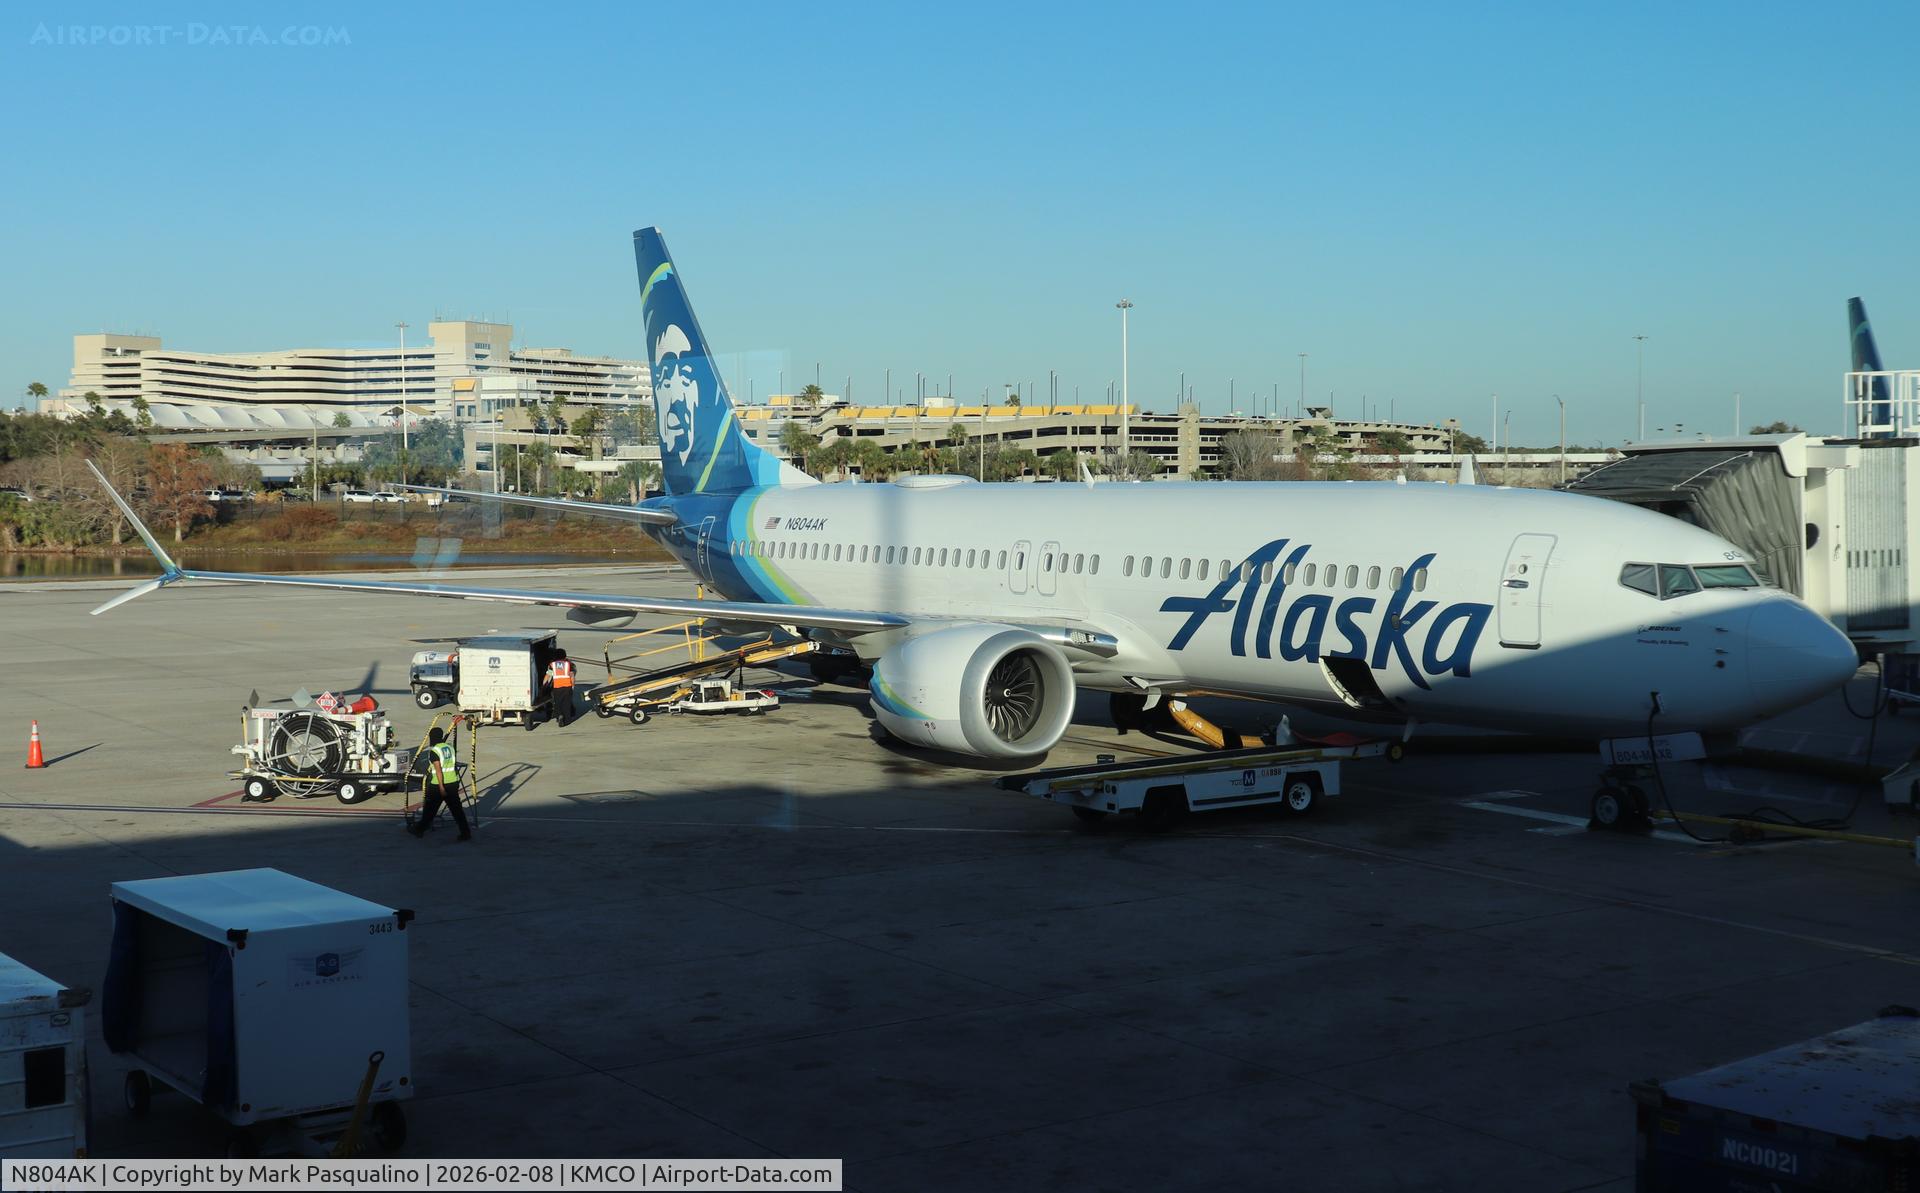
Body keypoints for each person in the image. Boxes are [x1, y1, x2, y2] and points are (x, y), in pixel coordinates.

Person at [408, 726, 470, 841]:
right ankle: (466, 833)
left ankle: (419, 830)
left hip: (438, 785)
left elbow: (438, 770)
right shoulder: (449, 748)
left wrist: (441, 786)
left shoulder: (434, 751)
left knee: (430, 809)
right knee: (457, 810)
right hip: (453, 782)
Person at [545, 651, 576, 725]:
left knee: (557, 703)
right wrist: (573, 685)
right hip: (567, 687)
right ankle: (567, 720)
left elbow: (548, 676)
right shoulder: (569, 664)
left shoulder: (552, 665)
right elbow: (572, 676)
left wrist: (544, 685)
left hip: (557, 687)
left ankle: (559, 715)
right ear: (564, 656)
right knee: (566, 703)